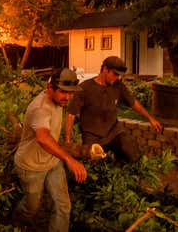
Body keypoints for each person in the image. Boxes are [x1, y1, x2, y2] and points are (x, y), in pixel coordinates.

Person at [13, 68, 87, 231]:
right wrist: (69, 159)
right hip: (31, 166)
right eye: (63, 92)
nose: (67, 97)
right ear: (49, 88)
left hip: (52, 162)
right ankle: (16, 221)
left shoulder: (59, 100)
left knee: (63, 206)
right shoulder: (41, 109)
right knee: (31, 208)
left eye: (70, 93)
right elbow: (43, 137)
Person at [65, 56, 163, 162]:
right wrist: (67, 139)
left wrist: (150, 118)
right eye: (115, 74)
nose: (117, 78)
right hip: (92, 136)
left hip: (114, 132)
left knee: (130, 148)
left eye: (119, 75)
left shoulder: (118, 86)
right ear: (105, 69)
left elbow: (133, 103)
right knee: (92, 164)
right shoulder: (85, 88)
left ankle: (122, 166)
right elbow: (71, 113)